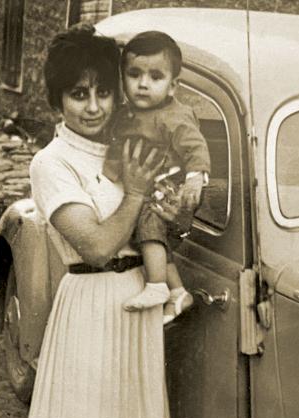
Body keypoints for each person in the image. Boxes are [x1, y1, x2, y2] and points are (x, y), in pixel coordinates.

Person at [17, 24, 176, 418]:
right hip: (90, 307)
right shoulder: (51, 163)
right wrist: (137, 193)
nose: (93, 106)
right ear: (57, 102)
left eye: (103, 93)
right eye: (78, 95)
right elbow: (101, 241)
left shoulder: (119, 147)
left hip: (132, 305)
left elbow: (148, 233)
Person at [104, 30, 211, 325]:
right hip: (142, 186)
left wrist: (194, 179)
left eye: (155, 77)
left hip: (167, 187)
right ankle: (178, 292)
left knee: (150, 223)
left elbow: (195, 147)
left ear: (173, 85)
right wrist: (109, 172)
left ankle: (156, 286)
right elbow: (116, 145)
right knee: (151, 237)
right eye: (134, 74)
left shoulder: (175, 115)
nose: (142, 84)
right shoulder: (125, 114)